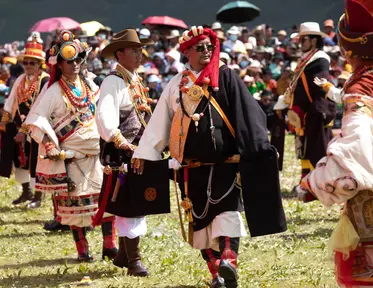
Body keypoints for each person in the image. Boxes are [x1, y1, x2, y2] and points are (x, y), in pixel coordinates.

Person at [132, 26, 286, 288]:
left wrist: (258, 150)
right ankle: (217, 274)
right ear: (187, 53)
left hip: (227, 165)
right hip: (191, 169)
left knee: (227, 215)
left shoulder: (226, 77)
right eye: (199, 48)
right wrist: (146, 154)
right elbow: (160, 123)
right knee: (200, 226)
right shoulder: (176, 84)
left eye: (209, 47)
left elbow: (248, 115)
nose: (206, 52)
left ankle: (229, 263)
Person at [299, 0, 373, 286]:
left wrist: (318, 179)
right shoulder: (372, 78)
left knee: (367, 274)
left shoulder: (362, 86)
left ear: (347, 50)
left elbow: (357, 144)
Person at [24, 30, 117, 262]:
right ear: (60, 63)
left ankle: (109, 245)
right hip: (71, 157)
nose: (75, 64)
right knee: (75, 209)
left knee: (106, 201)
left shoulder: (92, 85)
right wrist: (48, 144)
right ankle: (82, 250)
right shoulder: (53, 91)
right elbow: (35, 120)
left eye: (78, 60)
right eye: (69, 61)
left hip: (98, 154)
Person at [95, 28, 154, 277]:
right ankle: (134, 260)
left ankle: (122, 254)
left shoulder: (134, 80)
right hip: (124, 153)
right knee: (131, 205)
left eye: (140, 50)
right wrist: (121, 143)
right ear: (119, 54)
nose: (139, 55)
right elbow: (104, 116)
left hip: (140, 151)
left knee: (135, 201)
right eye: (133, 50)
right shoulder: (113, 81)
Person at [284, 22, 336, 196]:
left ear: (314, 41)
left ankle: (323, 184)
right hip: (306, 113)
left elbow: (319, 89)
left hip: (316, 112)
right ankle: (306, 183)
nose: (301, 42)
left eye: (304, 39)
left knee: (318, 150)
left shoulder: (320, 59)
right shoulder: (306, 58)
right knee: (305, 150)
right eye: (300, 39)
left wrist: (317, 111)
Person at [0, 34, 50, 208]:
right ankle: (25, 191)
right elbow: (11, 99)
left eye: (32, 63)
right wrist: (5, 119)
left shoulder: (45, 81)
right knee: (19, 157)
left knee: (37, 160)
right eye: (26, 62)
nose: (28, 66)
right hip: (18, 123)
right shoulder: (20, 79)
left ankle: (38, 196)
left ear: (40, 64)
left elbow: (40, 107)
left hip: (37, 126)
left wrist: (26, 129)